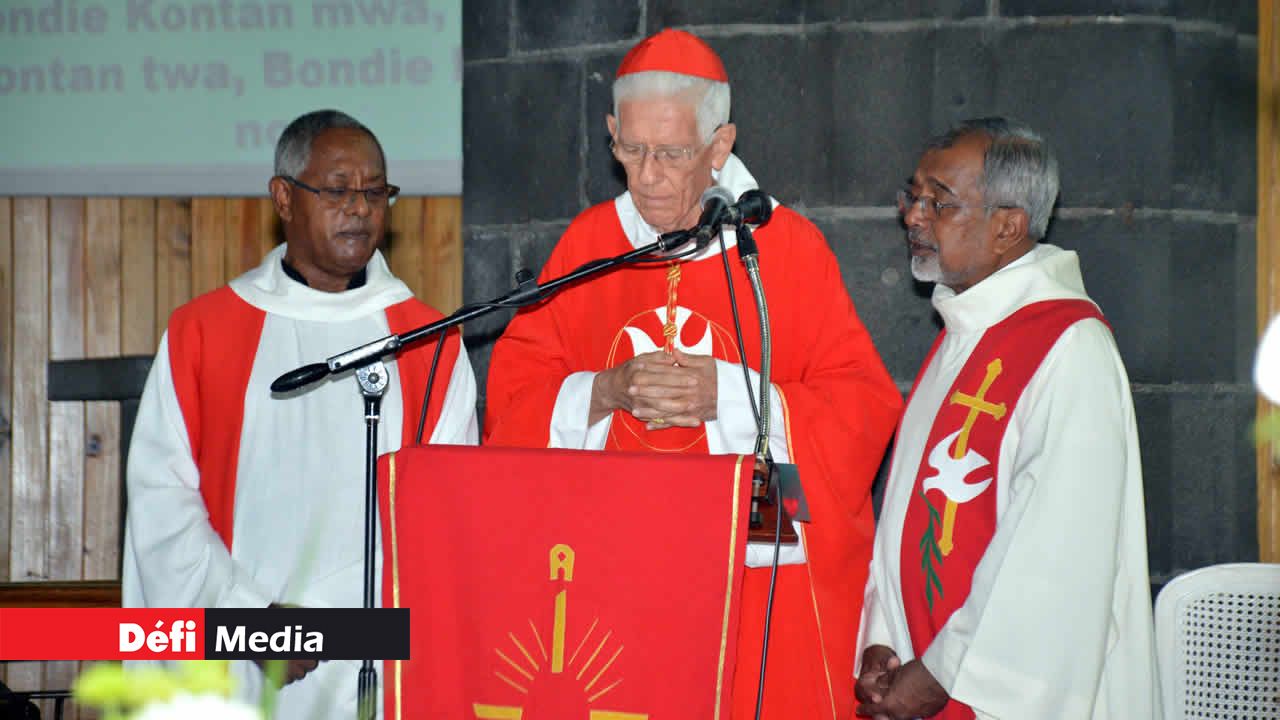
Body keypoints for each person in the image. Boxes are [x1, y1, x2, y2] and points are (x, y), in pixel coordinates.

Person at [483, 29, 902, 720]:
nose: (646, 175)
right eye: (631, 149)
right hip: (614, 559)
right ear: (612, 133)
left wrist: (735, 395)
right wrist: (606, 390)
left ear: (721, 144)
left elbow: (860, 402)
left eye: (672, 153)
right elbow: (515, 396)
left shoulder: (784, 248)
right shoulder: (589, 245)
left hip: (750, 558)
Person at [121, 109, 478, 718]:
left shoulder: (428, 341)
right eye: (338, 190)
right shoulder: (205, 332)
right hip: (242, 658)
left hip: (381, 665)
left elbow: (455, 514)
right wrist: (248, 619)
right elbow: (161, 498)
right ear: (284, 198)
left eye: (375, 191)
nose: (360, 208)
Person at [854, 118, 1159, 719]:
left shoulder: (1070, 348)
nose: (914, 216)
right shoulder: (965, 332)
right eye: (912, 196)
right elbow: (905, 509)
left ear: (1008, 226)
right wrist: (883, 633)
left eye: (938, 201)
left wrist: (942, 671)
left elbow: (1052, 558)